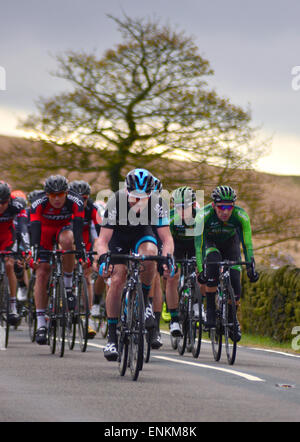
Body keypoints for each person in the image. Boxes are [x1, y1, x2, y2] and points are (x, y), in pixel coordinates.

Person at [93, 168, 175, 361]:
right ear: (127, 192)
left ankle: (145, 301)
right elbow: (103, 240)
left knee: (150, 254)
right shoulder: (116, 201)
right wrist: (104, 257)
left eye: (143, 197)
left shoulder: (157, 203)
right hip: (119, 238)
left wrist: (168, 257)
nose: (138, 202)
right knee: (117, 277)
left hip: (142, 234)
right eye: (134, 197)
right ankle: (112, 337)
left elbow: (166, 238)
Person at [195, 185, 259, 341]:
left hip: (231, 244)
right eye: (221, 207)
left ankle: (232, 319)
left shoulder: (241, 216)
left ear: (233, 206)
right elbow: (198, 245)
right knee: (212, 263)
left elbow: (247, 243)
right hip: (210, 244)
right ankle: (210, 309)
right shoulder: (203, 216)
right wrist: (200, 268)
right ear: (213, 206)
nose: (225, 211)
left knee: (236, 280)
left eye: (229, 207)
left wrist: (251, 264)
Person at [30, 175, 85, 345]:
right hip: (44, 232)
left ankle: (68, 288)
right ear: (46, 194)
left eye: (60, 194)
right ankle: (41, 324)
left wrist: (80, 249)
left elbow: (78, 228)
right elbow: (35, 229)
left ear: (66, 193)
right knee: (42, 272)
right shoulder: (37, 203)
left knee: (69, 242)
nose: (56, 199)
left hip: (64, 229)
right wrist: (35, 251)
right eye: (52, 195)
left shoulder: (76, 201)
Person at [69, 180, 102, 339]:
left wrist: (96, 255)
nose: (82, 201)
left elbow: (99, 233)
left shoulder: (92, 209)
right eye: (79, 198)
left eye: (85, 198)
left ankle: (88, 318)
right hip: (69, 242)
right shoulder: (66, 207)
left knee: (87, 277)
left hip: (86, 244)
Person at [0, 182, 30, 324]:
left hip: (7, 237)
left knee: (9, 264)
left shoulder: (16, 205)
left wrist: (27, 248)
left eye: (3, 203)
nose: (0, 206)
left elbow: (23, 227)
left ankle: (12, 305)